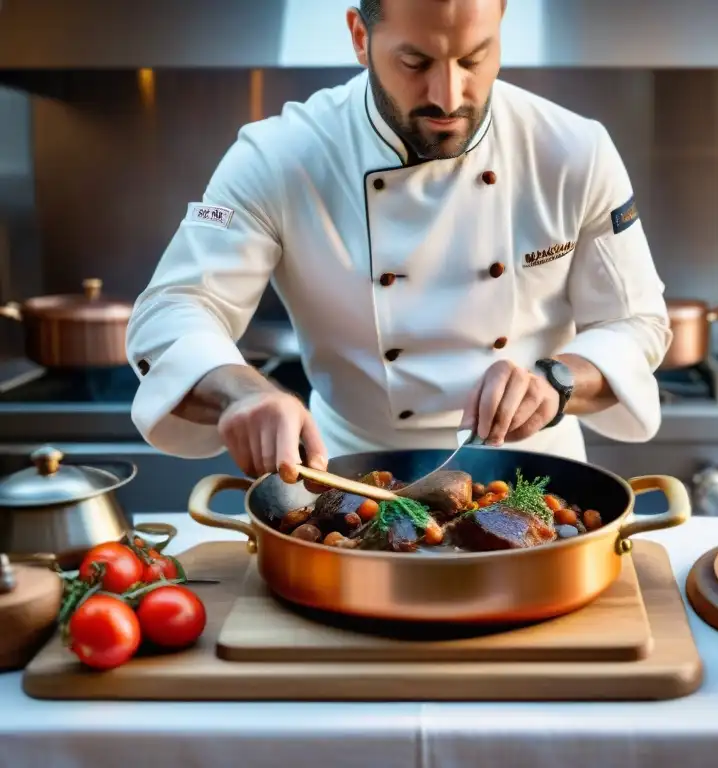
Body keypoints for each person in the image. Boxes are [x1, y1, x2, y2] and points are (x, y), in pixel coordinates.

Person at [126, 0, 671, 483]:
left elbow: (637, 322)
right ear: (361, 38)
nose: (448, 95)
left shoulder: (574, 150)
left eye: (474, 59)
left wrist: (557, 381)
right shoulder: (278, 157)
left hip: (535, 482)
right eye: (416, 63)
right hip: (345, 480)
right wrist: (245, 392)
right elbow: (174, 308)